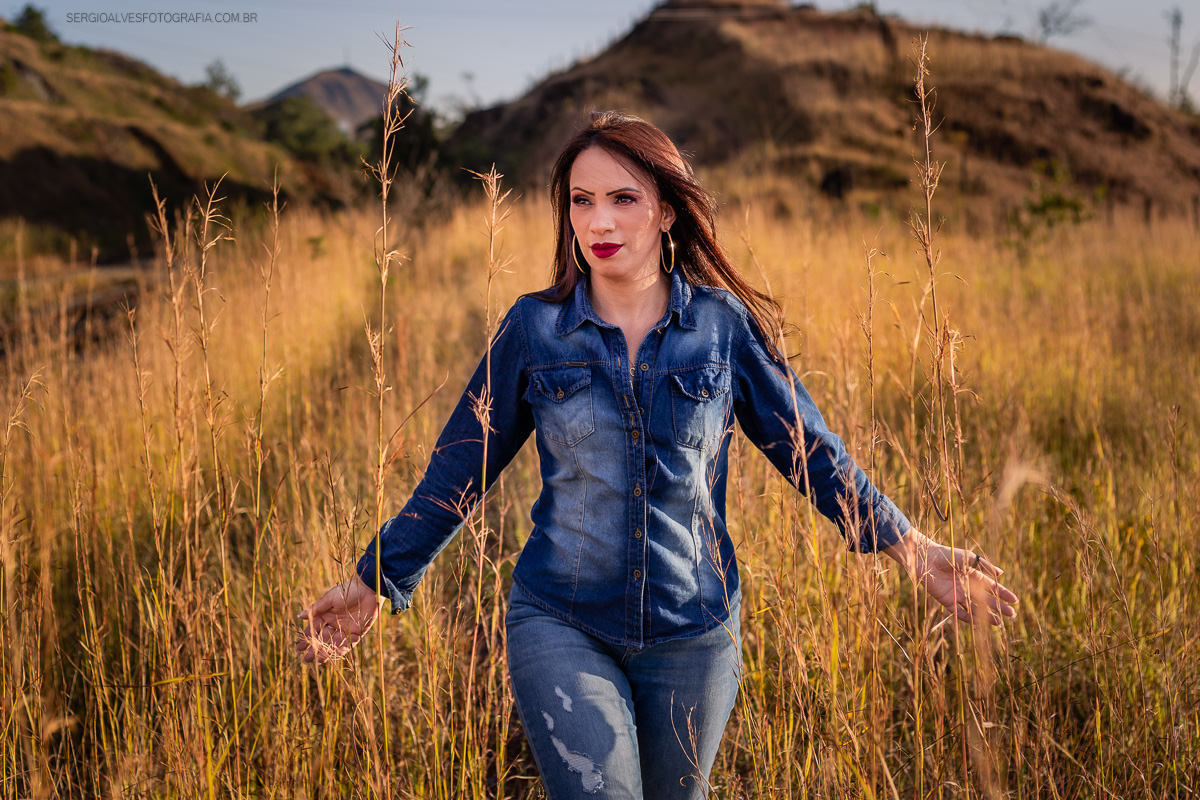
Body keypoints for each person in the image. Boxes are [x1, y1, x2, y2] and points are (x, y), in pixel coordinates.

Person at [296, 111, 1019, 798]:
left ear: (667, 211)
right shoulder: (535, 329)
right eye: (581, 201)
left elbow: (811, 452)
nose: (599, 221)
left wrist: (914, 549)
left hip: (696, 629)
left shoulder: (718, 328)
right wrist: (376, 577)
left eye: (623, 198)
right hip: (562, 617)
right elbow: (458, 471)